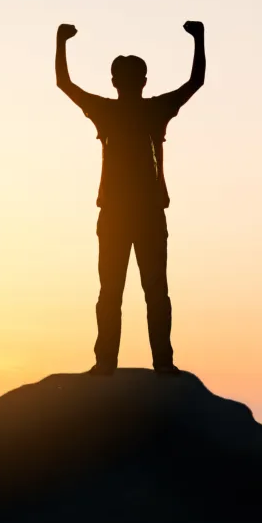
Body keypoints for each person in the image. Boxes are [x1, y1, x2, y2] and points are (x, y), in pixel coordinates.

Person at [55, 20, 205, 376]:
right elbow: (195, 82)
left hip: (132, 215)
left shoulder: (116, 111)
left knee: (119, 292)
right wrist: (199, 39)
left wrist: (60, 42)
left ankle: (118, 362)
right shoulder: (150, 110)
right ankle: (148, 363)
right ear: (143, 81)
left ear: (115, 82)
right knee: (143, 292)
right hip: (135, 215)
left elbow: (64, 83)